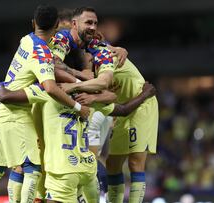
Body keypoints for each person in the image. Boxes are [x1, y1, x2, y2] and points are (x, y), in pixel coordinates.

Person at [0, 5, 89, 203]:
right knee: (32, 169)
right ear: (57, 24)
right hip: (15, 114)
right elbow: (50, 87)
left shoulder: (26, 40)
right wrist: (78, 106)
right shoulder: (41, 53)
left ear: (33, 23)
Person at [0, 78, 156, 203]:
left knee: (20, 167)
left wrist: (3, 83)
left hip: (61, 168)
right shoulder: (88, 99)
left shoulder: (46, 92)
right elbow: (123, 109)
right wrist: (145, 94)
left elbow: (6, 96)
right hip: (88, 169)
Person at [59, 9, 159, 203]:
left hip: (140, 103)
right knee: (112, 163)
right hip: (118, 107)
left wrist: (76, 84)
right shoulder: (77, 54)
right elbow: (109, 94)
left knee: (135, 161)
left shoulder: (101, 53)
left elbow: (106, 88)